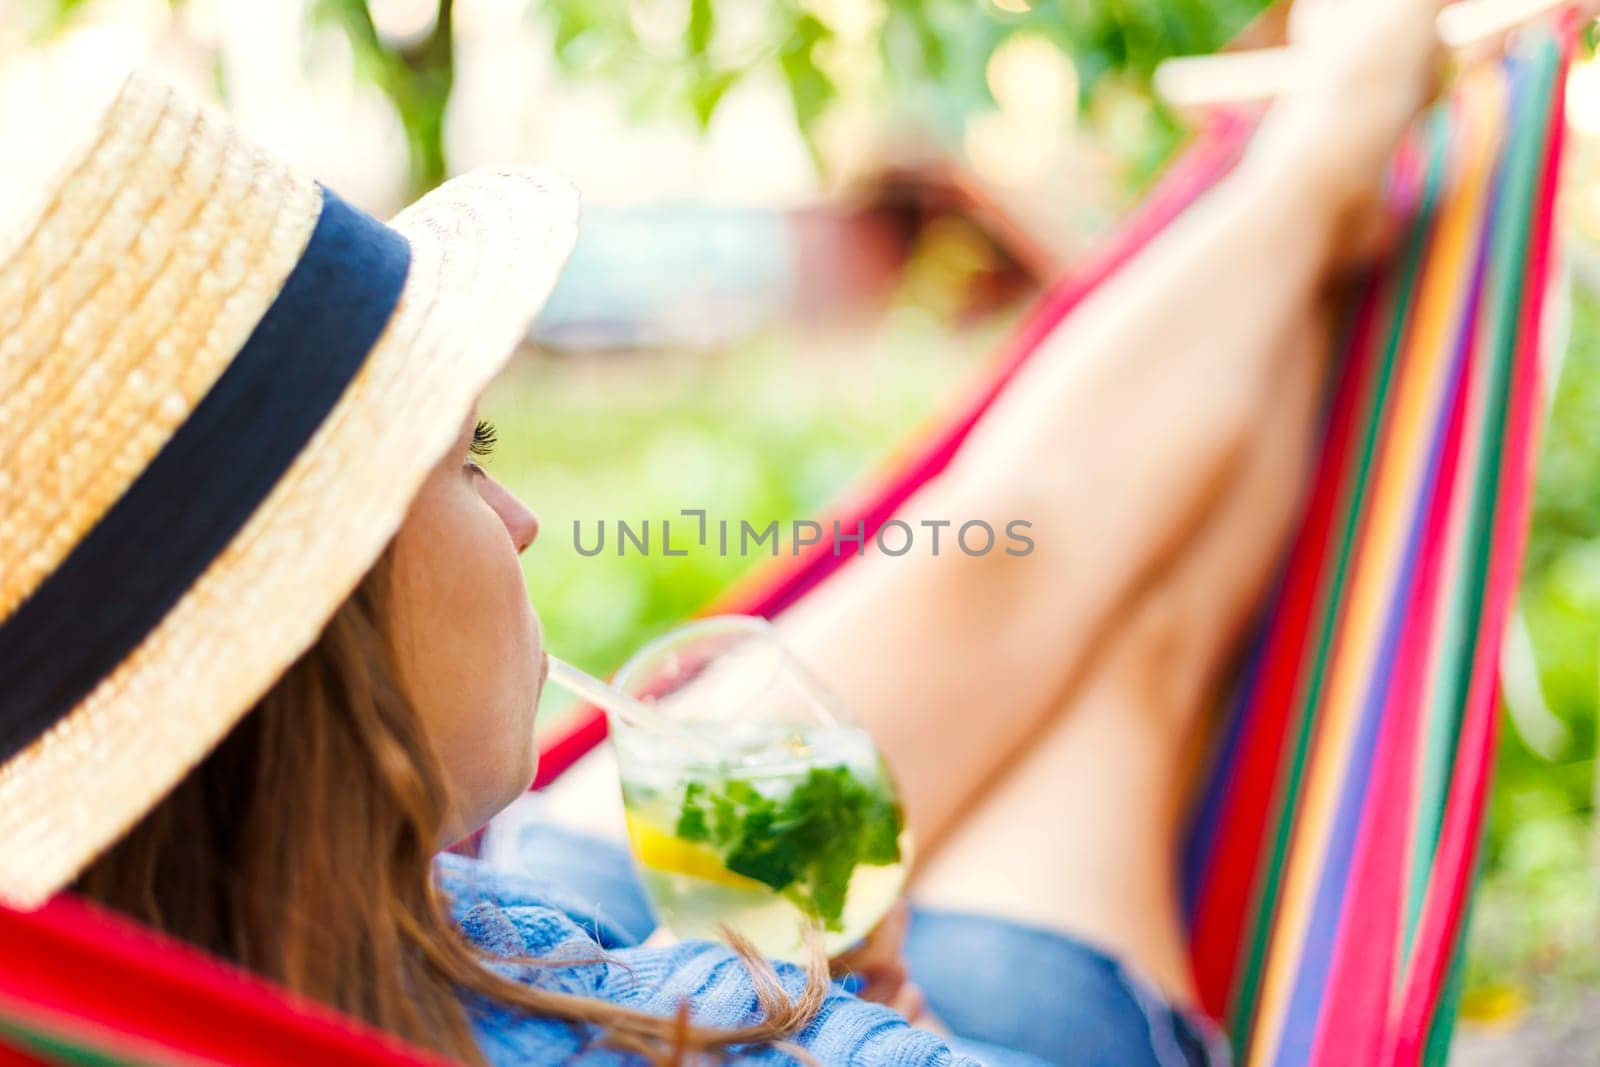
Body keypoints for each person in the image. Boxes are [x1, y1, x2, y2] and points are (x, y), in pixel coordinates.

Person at [0, 0, 1448, 1063]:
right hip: (939, 1001)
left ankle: (1308, 181)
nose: (519, 517)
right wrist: (873, 1022)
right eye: (466, 459)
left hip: (509, 925)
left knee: (902, 645)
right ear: (321, 631)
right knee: (1124, 643)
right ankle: (1325, 171)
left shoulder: (160, 958)